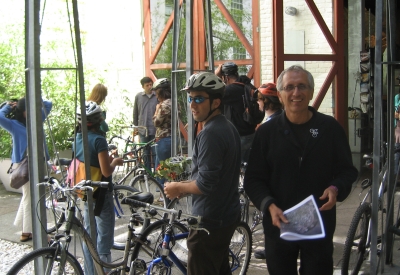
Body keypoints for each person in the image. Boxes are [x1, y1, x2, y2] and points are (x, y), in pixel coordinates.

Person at [243, 65, 358, 275]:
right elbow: (253, 179)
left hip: (318, 224)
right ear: (280, 94)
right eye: (289, 87)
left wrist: (335, 188)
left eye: (302, 86)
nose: (296, 93)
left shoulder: (329, 128)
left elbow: (348, 171)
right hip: (278, 224)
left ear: (311, 92)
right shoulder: (267, 132)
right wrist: (268, 205)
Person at [163, 72, 241, 275]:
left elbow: (205, 184)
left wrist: (177, 187)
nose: (192, 104)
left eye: (199, 98)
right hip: (226, 216)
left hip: (209, 221)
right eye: (190, 98)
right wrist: (186, 189)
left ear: (216, 102)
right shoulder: (227, 126)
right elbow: (214, 175)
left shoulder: (210, 133)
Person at [73, 101, 123, 274]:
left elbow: (92, 161)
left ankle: (89, 271)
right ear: (98, 119)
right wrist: (115, 161)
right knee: (104, 238)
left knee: (89, 234)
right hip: (101, 193)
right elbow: (106, 171)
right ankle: (103, 271)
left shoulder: (78, 137)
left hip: (85, 193)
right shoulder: (99, 140)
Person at [0, 97, 52, 242]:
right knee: (32, 198)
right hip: (25, 165)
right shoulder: (14, 125)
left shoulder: (37, 118)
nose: (30, 113)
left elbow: (48, 104)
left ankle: (26, 231)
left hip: (38, 163)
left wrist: (35, 96)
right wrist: (9, 106)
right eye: (26, 110)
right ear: (21, 111)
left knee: (29, 196)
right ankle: (37, 233)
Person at [252, 82, 283, 260]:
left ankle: (272, 246)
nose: (257, 104)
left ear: (266, 101)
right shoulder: (275, 119)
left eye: (259, 100)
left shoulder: (270, 125)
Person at [215, 62, 256, 163]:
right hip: (251, 134)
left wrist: (215, 77)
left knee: (233, 168)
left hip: (239, 137)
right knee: (247, 167)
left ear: (226, 78)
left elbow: (212, 94)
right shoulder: (246, 85)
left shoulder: (230, 90)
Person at [133, 77, 157, 171]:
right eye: (147, 85)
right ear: (143, 87)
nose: (150, 87)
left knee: (155, 152)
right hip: (143, 129)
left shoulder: (156, 96)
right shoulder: (138, 96)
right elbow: (135, 112)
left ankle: (156, 173)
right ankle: (147, 172)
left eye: (151, 84)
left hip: (155, 129)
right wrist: (135, 127)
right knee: (145, 152)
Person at [152, 78, 172, 192]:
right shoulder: (174, 102)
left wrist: (156, 111)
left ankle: (163, 195)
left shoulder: (163, 105)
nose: (155, 95)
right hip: (171, 139)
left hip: (164, 139)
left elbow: (156, 122)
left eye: (156, 92)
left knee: (162, 169)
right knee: (169, 169)